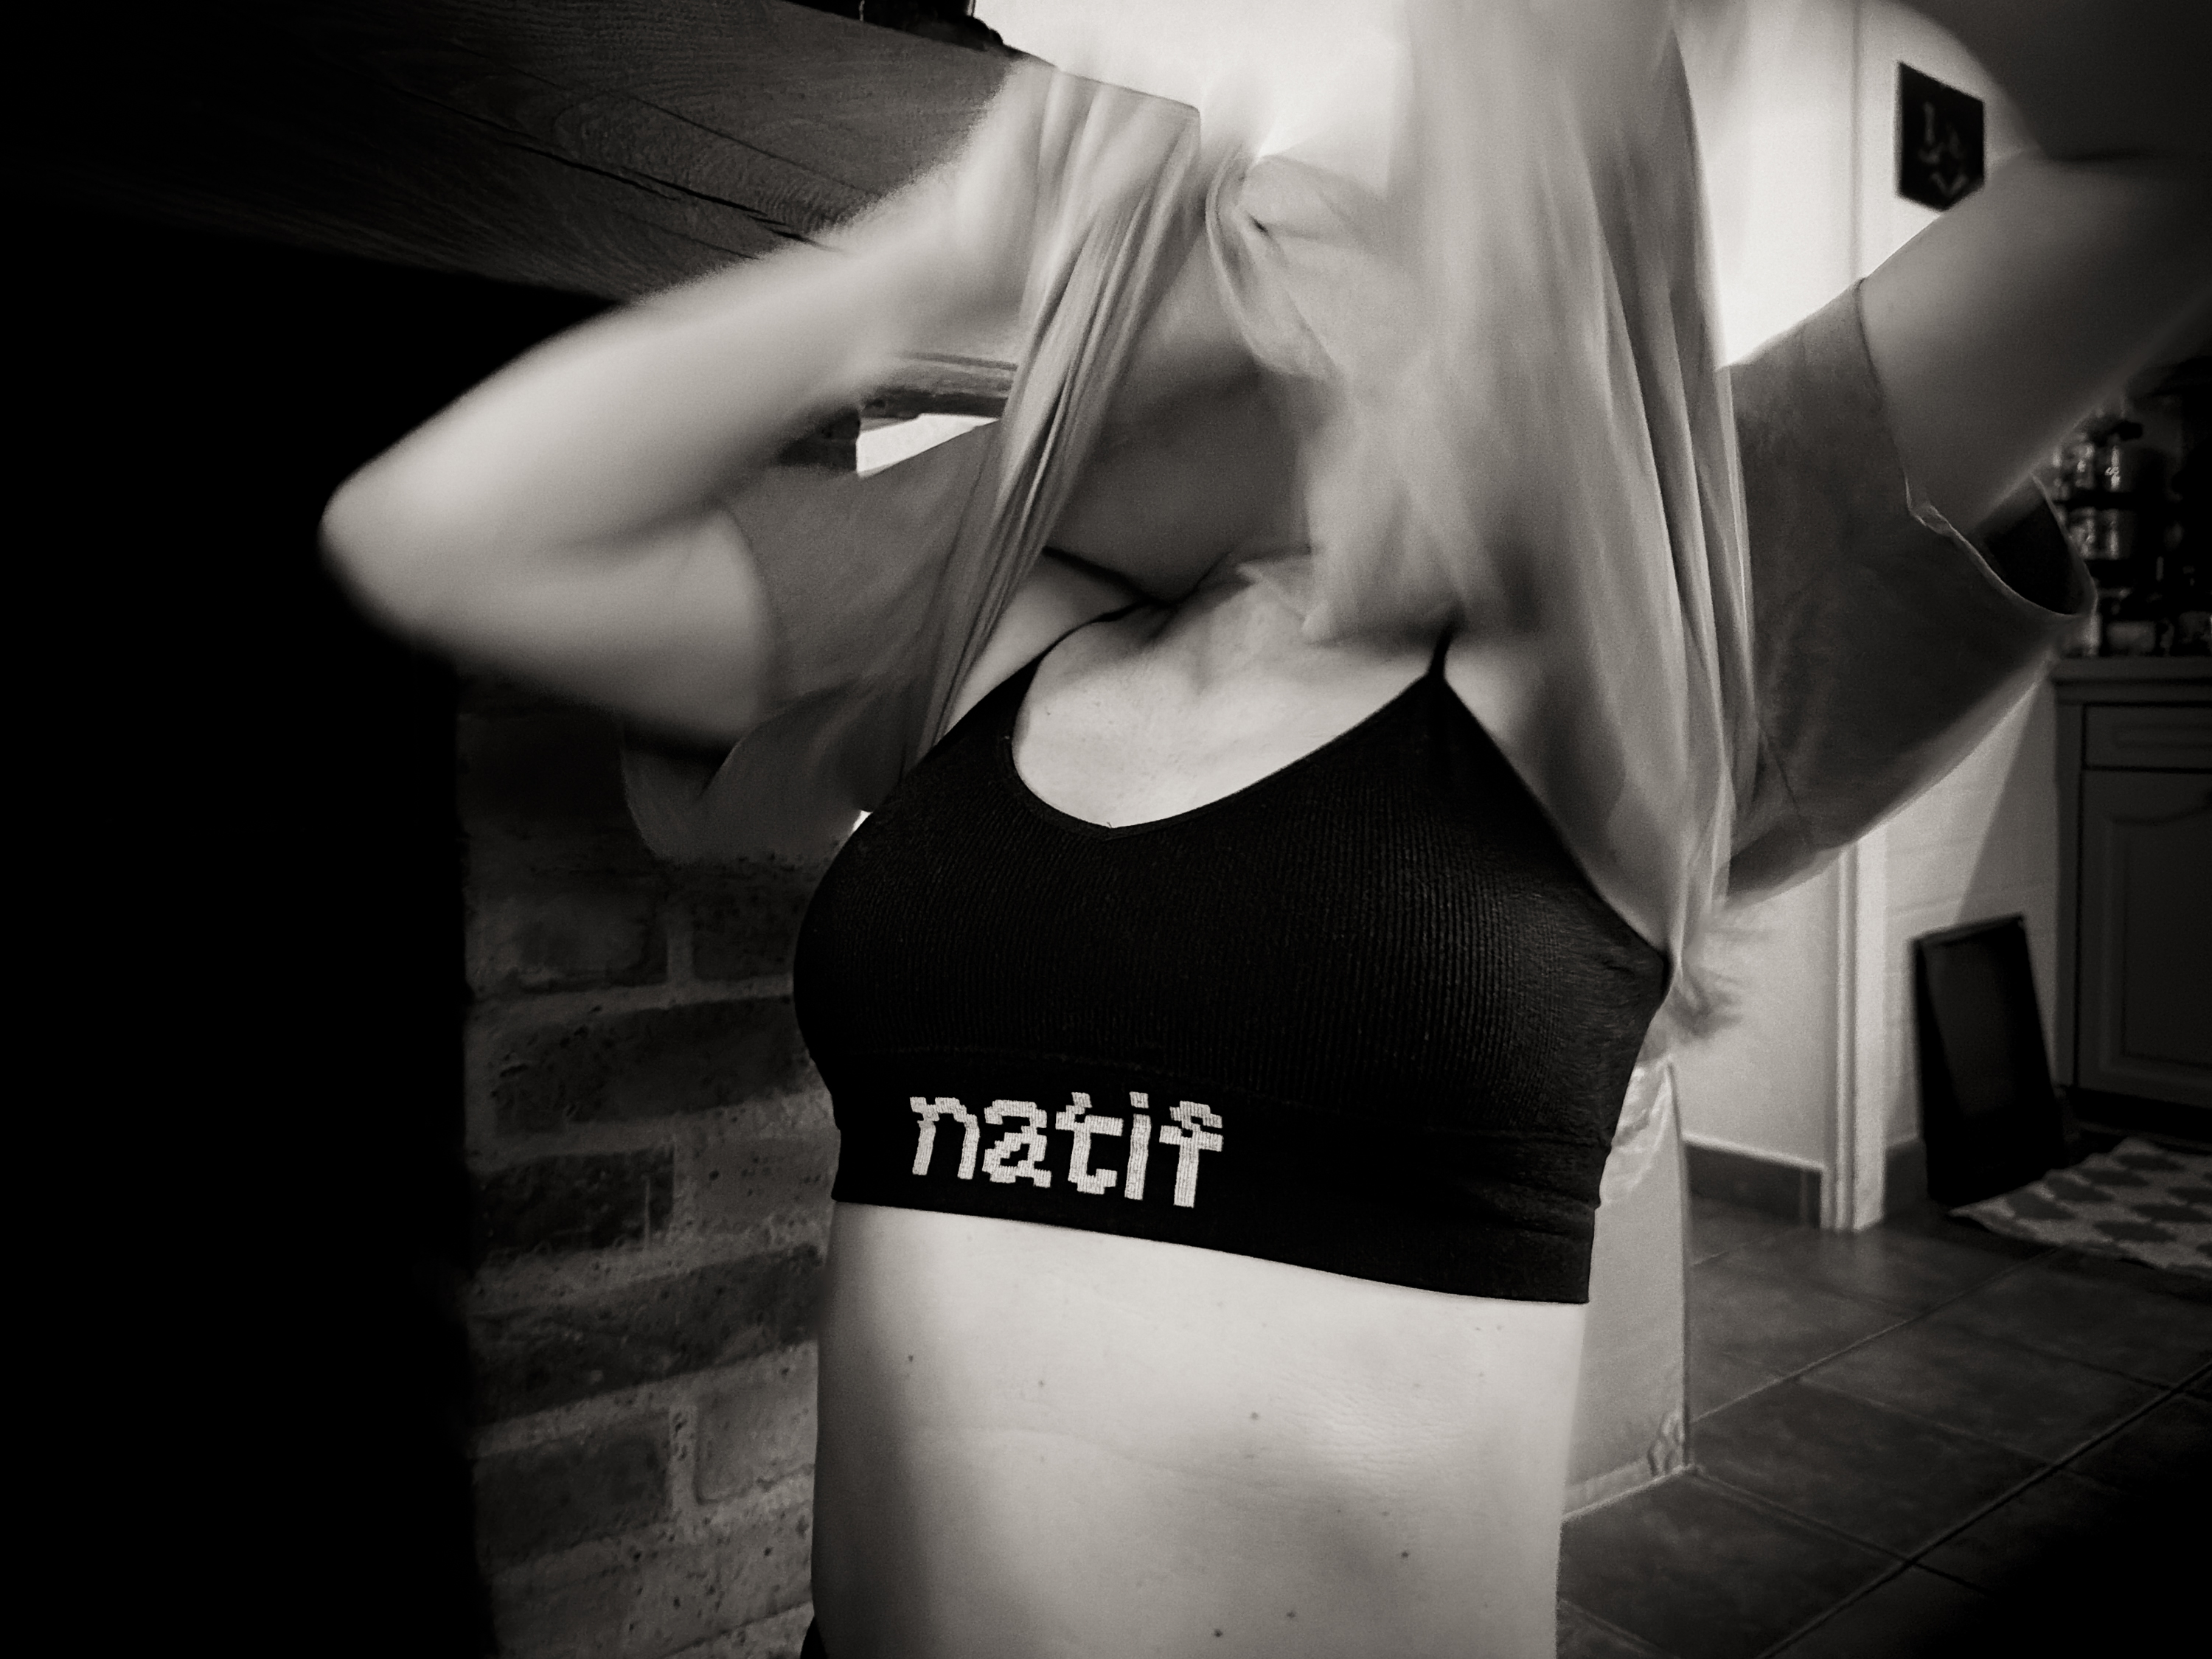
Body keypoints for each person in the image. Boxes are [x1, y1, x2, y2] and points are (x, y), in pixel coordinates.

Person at [322, 2, 2210, 1652]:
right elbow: (433, 541)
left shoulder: (1613, 673)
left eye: (1404, 152)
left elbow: (2163, 152)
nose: (1290, 195)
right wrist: (910, 268)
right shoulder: (1007, 625)